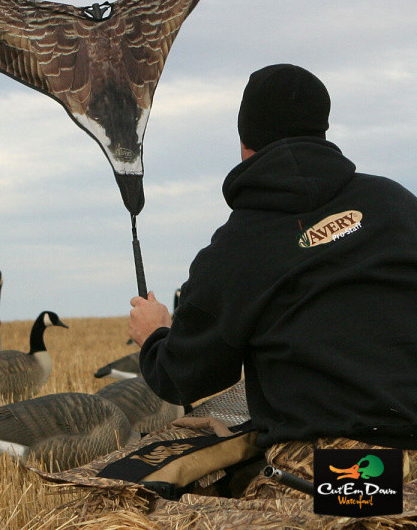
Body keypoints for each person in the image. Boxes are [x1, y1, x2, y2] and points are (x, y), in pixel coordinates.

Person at [128, 63, 417, 494]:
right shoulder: (395, 203)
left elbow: (186, 377)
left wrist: (154, 336)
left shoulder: (238, 246)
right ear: (322, 130)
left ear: (245, 143)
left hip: (347, 473)